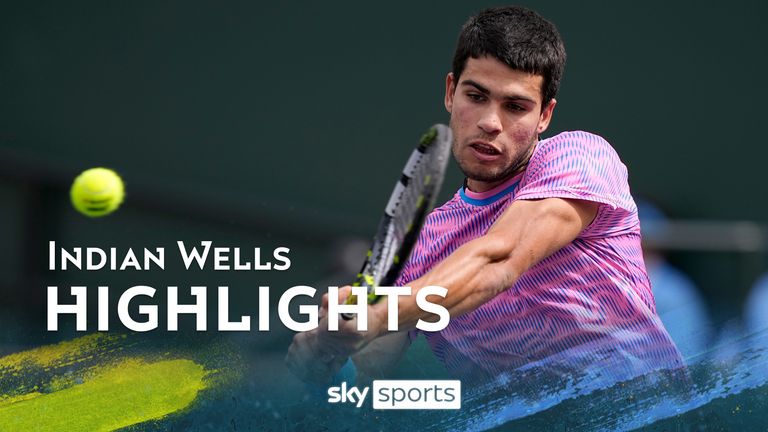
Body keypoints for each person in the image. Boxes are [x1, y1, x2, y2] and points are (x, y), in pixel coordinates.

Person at [286, 6, 683, 387]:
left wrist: (383, 311)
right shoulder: (418, 248)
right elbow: (367, 374)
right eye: (476, 97)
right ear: (450, 92)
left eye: (515, 106)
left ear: (544, 115)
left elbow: (500, 259)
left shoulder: (580, 156)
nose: (491, 122)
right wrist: (326, 357)